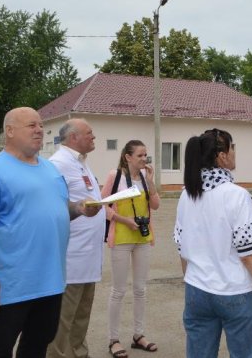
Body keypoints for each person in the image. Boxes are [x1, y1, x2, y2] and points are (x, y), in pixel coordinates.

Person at [0, 107, 100, 358]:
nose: (39, 130)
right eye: (31, 125)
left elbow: (59, 209)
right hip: (12, 285)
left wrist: (79, 208)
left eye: (40, 125)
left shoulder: (50, 170)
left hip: (51, 282)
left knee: (37, 347)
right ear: (10, 131)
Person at [174, 128, 252, 358]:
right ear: (222, 156)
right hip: (235, 293)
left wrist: (192, 283)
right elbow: (248, 254)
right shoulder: (236, 195)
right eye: (233, 147)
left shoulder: (186, 195)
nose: (234, 153)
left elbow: (182, 247)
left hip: (197, 291)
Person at [47, 119, 106, 358]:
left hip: (88, 255)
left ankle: (79, 353)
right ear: (74, 137)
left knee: (82, 314)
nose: (94, 137)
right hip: (70, 256)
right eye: (89, 133)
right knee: (63, 317)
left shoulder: (81, 163)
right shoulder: (57, 164)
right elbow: (52, 206)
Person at [101, 140, 161, 358]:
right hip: (122, 238)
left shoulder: (145, 178)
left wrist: (152, 183)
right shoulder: (114, 176)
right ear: (128, 157)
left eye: (146, 155)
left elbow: (155, 205)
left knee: (140, 289)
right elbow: (103, 206)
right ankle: (113, 339)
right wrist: (123, 220)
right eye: (140, 155)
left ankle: (138, 335)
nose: (144, 159)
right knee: (118, 290)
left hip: (142, 238)